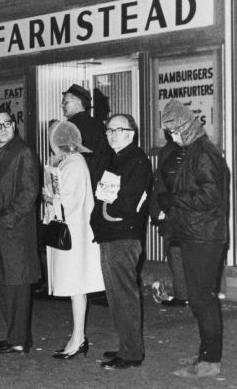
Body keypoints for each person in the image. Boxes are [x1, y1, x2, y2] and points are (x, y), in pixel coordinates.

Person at [157, 100, 229, 378]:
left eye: (174, 132)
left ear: (186, 127)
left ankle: (210, 361)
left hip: (204, 236)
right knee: (199, 297)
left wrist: (174, 199)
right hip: (197, 232)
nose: (172, 138)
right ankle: (206, 352)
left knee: (202, 299)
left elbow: (211, 196)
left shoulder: (203, 153)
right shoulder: (196, 150)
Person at [0, 105, 40, 355]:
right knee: (4, 283)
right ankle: (16, 335)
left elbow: (28, 192)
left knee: (17, 285)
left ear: (14, 125)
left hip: (13, 231)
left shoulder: (22, 152)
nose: (3, 129)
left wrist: (7, 218)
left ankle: (18, 340)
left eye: (7, 124)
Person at [42, 121, 104, 360]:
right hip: (72, 231)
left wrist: (50, 197)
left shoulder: (74, 163)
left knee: (77, 287)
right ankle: (77, 336)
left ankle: (78, 338)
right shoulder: (70, 162)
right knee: (75, 288)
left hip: (74, 235)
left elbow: (68, 199)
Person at [94, 114, 152, 370]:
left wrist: (107, 212)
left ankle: (131, 353)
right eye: (109, 130)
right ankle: (127, 346)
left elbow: (127, 201)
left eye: (119, 130)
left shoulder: (136, 160)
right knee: (116, 295)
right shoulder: (116, 159)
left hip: (123, 235)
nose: (113, 134)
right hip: (111, 234)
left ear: (132, 133)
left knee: (123, 295)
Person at [148, 131, 188, 307]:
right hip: (183, 210)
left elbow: (160, 184)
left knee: (174, 250)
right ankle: (185, 293)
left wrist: (156, 209)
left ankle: (182, 295)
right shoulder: (190, 149)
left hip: (170, 209)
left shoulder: (169, 150)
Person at [62, 84, 112, 191]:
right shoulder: (99, 125)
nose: (62, 106)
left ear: (78, 102)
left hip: (76, 187)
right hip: (98, 186)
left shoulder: (68, 127)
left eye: (65, 102)